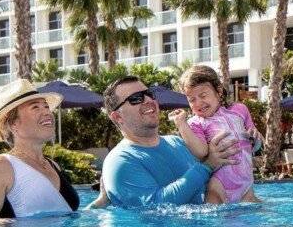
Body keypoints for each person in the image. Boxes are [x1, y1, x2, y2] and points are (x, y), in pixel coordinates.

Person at [97, 76, 240, 208]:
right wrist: (208, 166)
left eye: (149, 94)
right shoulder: (120, 162)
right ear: (117, 117)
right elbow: (156, 207)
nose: (148, 100)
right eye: (136, 98)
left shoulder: (178, 142)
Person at [0, 79, 80, 221]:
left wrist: (103, 200)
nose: (47, 112)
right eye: (35, 107)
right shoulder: (0, 167)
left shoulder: (54, 166)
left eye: (46, 106)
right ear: (13, 123)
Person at [170, 65, 262, 204]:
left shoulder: (239, 110)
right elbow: (201, 152)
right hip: (218, 184)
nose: (198, 103)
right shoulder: (196, 123)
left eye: (203, 95)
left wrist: (255, 138)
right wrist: (182, 124)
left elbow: (256, 143)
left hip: (246, 185)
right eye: (192, 99)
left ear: (218, 91)